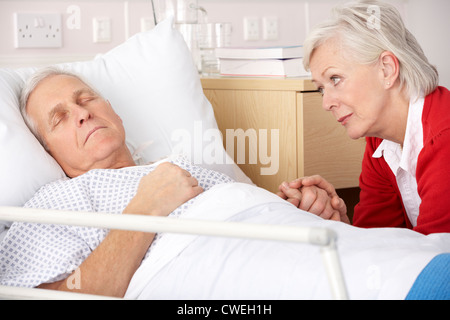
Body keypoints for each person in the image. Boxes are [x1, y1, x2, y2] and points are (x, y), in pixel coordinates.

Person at [12, 67, 339, 297]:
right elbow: (56, 297)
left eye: (85, 100)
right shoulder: (53, 203)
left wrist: (304, 209)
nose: (81, 113)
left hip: (295, 248)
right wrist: (145, 208)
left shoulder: (184, 166)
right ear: (49, 153)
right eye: (60, 118)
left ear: (114, 112)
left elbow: (250, 221)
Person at [277, 0, 450, 235]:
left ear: (387, 69)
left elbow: (436, 259)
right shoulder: (380, 144)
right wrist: (338, 225)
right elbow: (379, 242)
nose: (326, 103)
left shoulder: (444, 136)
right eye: (321, 89)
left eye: (335, 79)